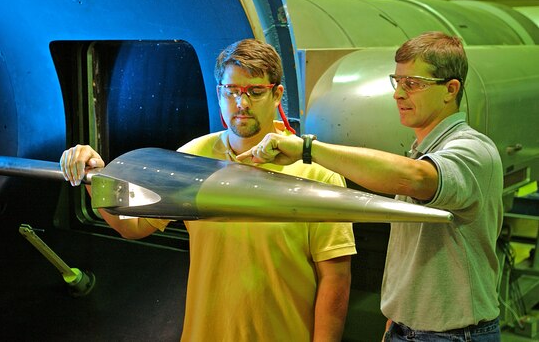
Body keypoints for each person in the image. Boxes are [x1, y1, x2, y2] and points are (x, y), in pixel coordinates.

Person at [60, 39, 356, 341]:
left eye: (255, 92)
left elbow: (335, 280)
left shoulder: (316, 173)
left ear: (276, 94)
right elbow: (134, 226)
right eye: (232, 91)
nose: (242, 104)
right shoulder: (192, 159)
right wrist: (94, 176)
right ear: (219, 94)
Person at [238, 31, 503, 341]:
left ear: (451, 89)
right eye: (397, 81)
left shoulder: (472, 150)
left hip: (453, 336)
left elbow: (417, 178)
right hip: (410, 330)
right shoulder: (421, 151)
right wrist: (399, 316)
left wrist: (307, 149)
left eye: (413, 84)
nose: (398, 94)